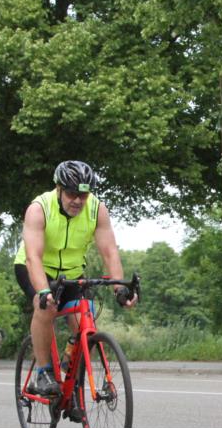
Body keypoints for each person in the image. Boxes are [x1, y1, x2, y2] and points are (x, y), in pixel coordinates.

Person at [13, 160, 136, 395]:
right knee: (46, 308)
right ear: (58, 188)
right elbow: (33, 258)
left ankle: (71, 369)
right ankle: (44, 372)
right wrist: (44, 292)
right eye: (71, 193)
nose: (78, 200)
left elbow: (109, 251)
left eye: (84, 194)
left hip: (71, 272)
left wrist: (120, 288)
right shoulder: (39, 209)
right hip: (35, 267)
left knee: (85, 322)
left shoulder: (96, 209)